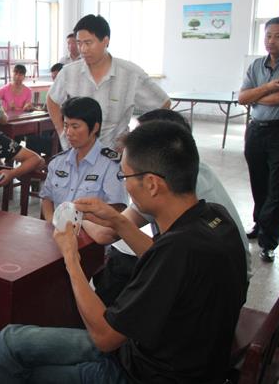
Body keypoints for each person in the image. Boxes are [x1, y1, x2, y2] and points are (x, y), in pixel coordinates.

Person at [0, 121, 247, 384]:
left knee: (16, 356)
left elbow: (105, 337)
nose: (126, 185)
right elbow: (164, 261)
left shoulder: (178, 250)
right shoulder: (215, 218)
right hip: (180, 355)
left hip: (142, 372)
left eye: (125, 177)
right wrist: (118, 220)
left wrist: (71, 257)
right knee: (13, 343)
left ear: (152, 184)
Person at [84, 108, 252, 305]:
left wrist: (75, 217)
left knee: (120, 262)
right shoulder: (192, 175)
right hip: (229, 282)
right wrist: (114, 219)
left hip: (208, 296)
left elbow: (105, 235)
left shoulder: (163, 189)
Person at [47, 14, 170, 150]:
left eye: (88, 43)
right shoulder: (69, 72)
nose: (83, 49)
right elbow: (52, 100)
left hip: (113, 155)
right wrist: (62, 133)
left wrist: (133, 140)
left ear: (105, 41)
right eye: (79, 43)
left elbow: (163, 104)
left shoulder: (131, 74)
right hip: (77, 154)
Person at [238, 16, 279, 262]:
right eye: (268, 36)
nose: (272, 41)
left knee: (278, 187)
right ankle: (259, 224)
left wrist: (256, 95)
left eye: (278, 36)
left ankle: (269, 241)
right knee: (258, 182)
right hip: (256, 130)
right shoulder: (256, 65)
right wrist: (270, 88)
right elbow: (242, 98)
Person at [39, 97, 127, 222]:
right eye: (66, 125)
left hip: (93, 232)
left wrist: (83, 225)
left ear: (95, 128)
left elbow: (117, 209)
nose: (68, 132)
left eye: (75, 127)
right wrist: (52, 223)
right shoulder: (57, 162)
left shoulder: (111, 165)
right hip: (58, 230)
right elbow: (47, 198)